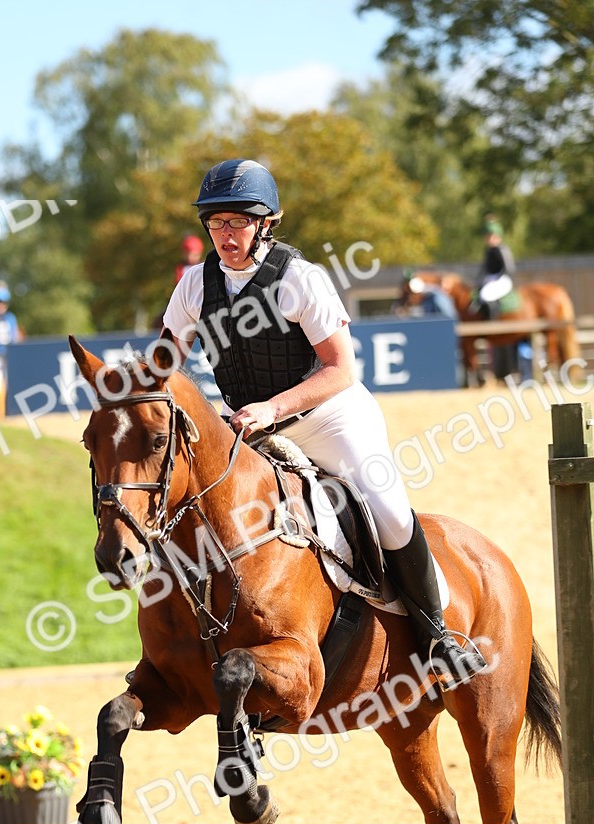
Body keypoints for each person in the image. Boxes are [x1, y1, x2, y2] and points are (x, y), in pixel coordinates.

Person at [162, 158, 486, 690]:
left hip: (328, 418)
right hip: (251, 430)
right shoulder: (196, 285)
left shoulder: (299, 278)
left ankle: (438, 639)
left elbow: (341, 369)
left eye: (238, 221)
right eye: (215, 222)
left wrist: (274, 408)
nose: (225, 233)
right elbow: (166, 360)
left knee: (391, 514)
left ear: (265, 223)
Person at [474, 218, 517, 319]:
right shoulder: (488, 251)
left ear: (498, 237)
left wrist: (496, 279)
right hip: (491, 278)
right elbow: (485, 268)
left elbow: (509, 268)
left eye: (491, 236)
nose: (489, 239)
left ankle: (492, 323)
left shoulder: (502, 249)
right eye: (487, 236)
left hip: (503, 279)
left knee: (486, 294)